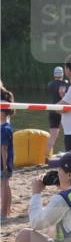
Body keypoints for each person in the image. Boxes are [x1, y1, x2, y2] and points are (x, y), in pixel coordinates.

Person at [45, 67, 69, 155]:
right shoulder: (64, 83)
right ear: (62, 74)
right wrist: (66, 99)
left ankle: (46, 155)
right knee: (68, 132)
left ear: (54, 74)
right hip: (61, 109)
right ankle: (68, 152)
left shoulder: (50, 84)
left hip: (52, 109)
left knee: (53, 135)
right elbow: (62, 92)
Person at [1, 85, 12, 220]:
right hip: (6, 160)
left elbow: (3, 148)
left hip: (3, 160)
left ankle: (4, 213)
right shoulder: (7, 126)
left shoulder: (3, 128)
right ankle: (7, 209)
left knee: (4, 185)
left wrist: (4, 165)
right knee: (6, 185)